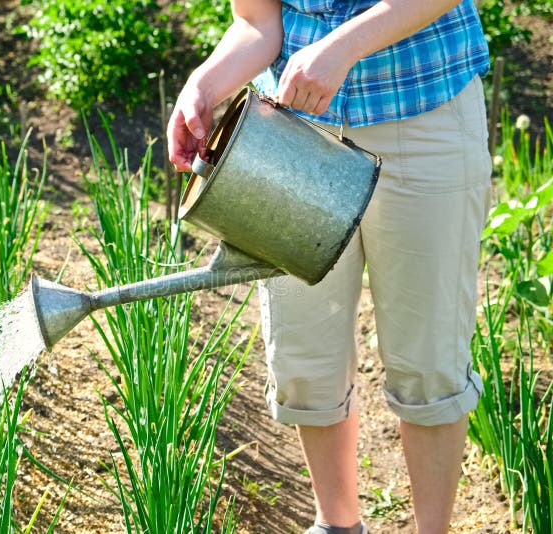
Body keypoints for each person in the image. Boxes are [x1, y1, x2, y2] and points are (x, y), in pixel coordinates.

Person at [167, 1, 492, 533]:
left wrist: (343, 46)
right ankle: (337, 524)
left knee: (428, 361)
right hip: (294, 137)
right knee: (304, 356)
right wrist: (202, 86)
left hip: (425, 115)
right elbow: (256, 23)